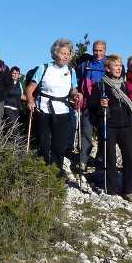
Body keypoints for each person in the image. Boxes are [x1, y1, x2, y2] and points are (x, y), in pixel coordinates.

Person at [25, 38, 81, 174]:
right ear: (55, 53)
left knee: (59, 145)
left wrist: (76, 95)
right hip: (43, 110)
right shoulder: (44, 68)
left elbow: (73, 89)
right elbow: (30, 89)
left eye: (68, 53)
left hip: (63, 111)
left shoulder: (71, 71)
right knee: (43, 144)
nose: (65, 56)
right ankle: (42, 171)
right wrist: (31, 101)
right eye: (63, 53)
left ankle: (56, 174)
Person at [92, 54, 132, 202]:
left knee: (130, 158)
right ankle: (111, 190)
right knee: (110, 159)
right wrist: (102, 107)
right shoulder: (100, 85)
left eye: (120, 65)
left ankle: (128, 190)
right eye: (115, 66)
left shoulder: (124, 85)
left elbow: (129, 105)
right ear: (107, 68)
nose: (119, 68)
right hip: (109, 124)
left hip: (125, 125)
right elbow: (93, 108)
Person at [76, 40, 107, 171]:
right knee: (86, 131)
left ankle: (101, 158)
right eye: (95, 50)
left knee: (103, 132)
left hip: (104, 103)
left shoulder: (109, 64)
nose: (98, 53)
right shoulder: (86, 64)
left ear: (105, 50)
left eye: (100, 50)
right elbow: (78, 81)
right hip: (88, 102)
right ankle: (83, 160)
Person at [3, 66, 24, 134]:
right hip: (7, 106)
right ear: (10, 73)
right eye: (13, 73)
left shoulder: (19, 84)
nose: (15, 75)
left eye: (17, 73)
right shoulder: (6, 83)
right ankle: (18, 141)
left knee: (11, 125)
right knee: (13, 124)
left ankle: (9, 141)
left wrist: (32, 99)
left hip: (16, 107)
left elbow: (21, 95)